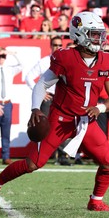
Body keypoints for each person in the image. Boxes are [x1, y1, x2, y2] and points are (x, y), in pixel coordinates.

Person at [0, 11, 109, 211]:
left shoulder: (107, 61)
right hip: (60, 119)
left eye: (100, 34)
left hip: (85, 121)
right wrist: (36, 109)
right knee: (32, 163)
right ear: (79, 35)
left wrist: (100, 107)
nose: (99, 39)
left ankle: (95, 200)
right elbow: (41, 85)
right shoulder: (66, 57)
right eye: (93, 34)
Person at [25, 36, 71, 165]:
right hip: (49, 97)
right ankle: (38, 155)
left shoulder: (65, 60)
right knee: (42, 127)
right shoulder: (44, 62)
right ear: (50, 46)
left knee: (61, 127)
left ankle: (62, 156)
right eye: (55, 45)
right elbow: (28, 77)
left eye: (59, 45)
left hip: (61, 98)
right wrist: (42, 93)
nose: (57, 47)